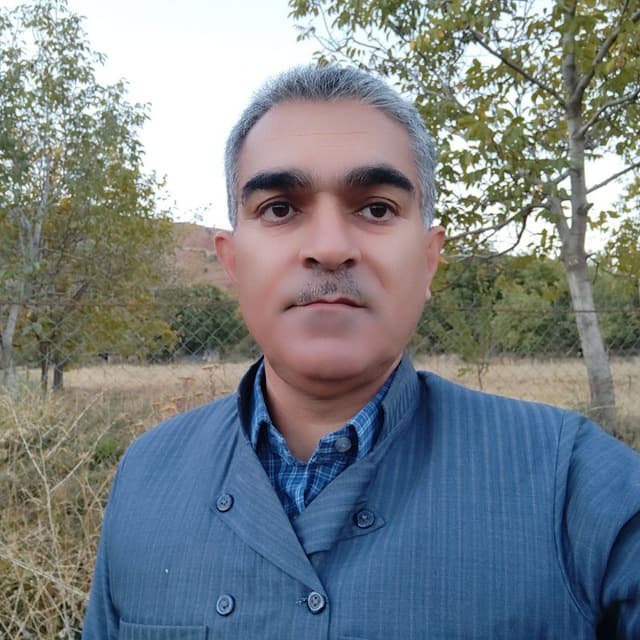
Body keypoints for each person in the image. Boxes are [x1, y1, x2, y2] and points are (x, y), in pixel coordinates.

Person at [82, 65, 640, 639]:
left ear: (428, 260)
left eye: (375, 208)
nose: (328, 248)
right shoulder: (146, 477)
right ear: (232, 262)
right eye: (280, 208)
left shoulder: (576, 486)